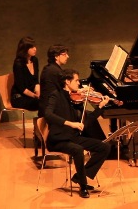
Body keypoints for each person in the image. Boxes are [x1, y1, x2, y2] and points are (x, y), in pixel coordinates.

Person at [44, 68, 111, 198]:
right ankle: (83, 186)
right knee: (78, 150)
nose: (79, 84)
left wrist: (100, 107)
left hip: (73, 136)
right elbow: (48, 114)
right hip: (58, 140)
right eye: (76, 80)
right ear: (67, 82)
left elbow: (86, 122)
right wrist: (70, 123)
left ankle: (79, 177)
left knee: (105, 147)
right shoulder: (56, 95)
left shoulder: (74, 98)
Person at [38, 44, 106, 141]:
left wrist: (80, 90)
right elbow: (63, 90)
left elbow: (64, 89)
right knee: (85, 116)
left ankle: (96, 142)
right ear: (56, 56)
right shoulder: (54, 71)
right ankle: (99, 143)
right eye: (64, 54)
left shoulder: (50, 68)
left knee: (84, 113)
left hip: (51, 105)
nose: (68, 56)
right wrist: (81, 90)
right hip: (53, 109)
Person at [11, 36, 39, 111]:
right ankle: (40, 122)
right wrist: (35, 96)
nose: (35, 49)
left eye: (35, 46)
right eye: (32, 47)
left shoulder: (35, 60)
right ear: (25, 49)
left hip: (32, 96)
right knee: (43, 102)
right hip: (19, 97)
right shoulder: (18, 64)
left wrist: (38, 93)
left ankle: (42, 121)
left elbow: (36, 81)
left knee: (50, 99)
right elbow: (21, 88)